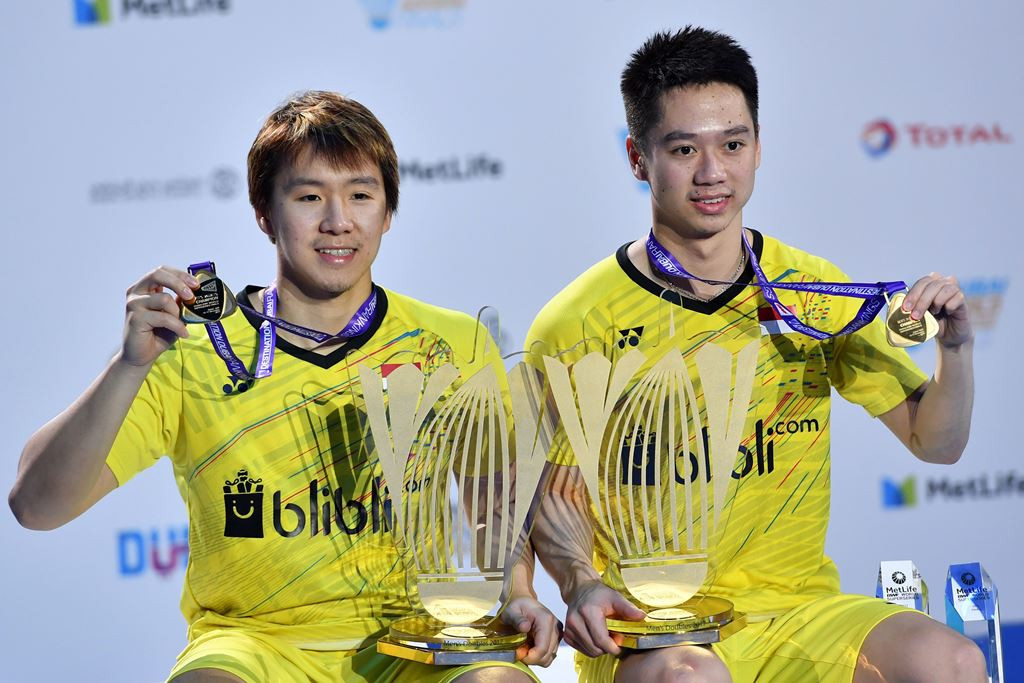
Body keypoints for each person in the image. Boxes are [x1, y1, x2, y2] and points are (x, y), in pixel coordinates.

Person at [10, 90, 559, 683]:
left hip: (416, 644)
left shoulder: (452, 342)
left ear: (388, 211)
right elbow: (36, 506)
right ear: (264, 213)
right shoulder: (191, 351)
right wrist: (127, 366)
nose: (337, 221)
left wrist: (517, 593)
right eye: (308, 197)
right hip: (253, 647)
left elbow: (494, 504)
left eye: (360, 194)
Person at [526, 28, 983, 682]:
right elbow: (548, 499)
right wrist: (578, 585)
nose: (713, 173)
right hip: (656, 628)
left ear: (758, 147)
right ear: (637, 157)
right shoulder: (578, 322)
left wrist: (958, 349)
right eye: (684, 149)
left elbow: (935, 442)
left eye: (732, 144)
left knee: (953, 659)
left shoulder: (810, 289)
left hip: (800, 612)